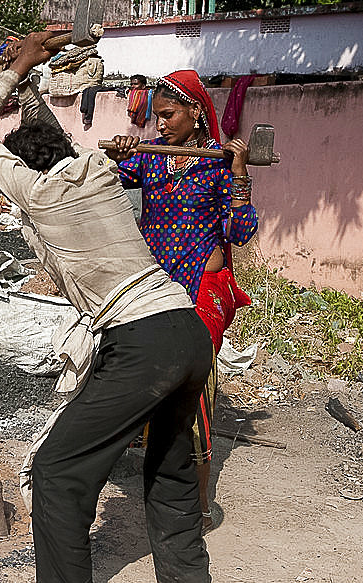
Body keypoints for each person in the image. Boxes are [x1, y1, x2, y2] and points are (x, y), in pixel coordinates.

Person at [0, 32, 213, 583]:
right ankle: (186, 574)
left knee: (55, 470)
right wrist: (30, 76)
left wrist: (17, 68)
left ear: (25, 171)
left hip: (143, 338)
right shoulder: (98, 171)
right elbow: (51, 135)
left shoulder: (40, 195)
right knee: (171, 452)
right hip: (187, 328)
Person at [106, 69, 258, 532]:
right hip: (158, 290)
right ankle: (153, 468)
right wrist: (120, 150)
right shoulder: (152, 160)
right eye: (156, 118)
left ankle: (199, 500)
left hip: (201, 294)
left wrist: (238, 174)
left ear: (196, 111)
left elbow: (240, 232)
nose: (161, 125)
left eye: (169, 115)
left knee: (193, 394)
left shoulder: (216, 163)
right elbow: (112, 177)